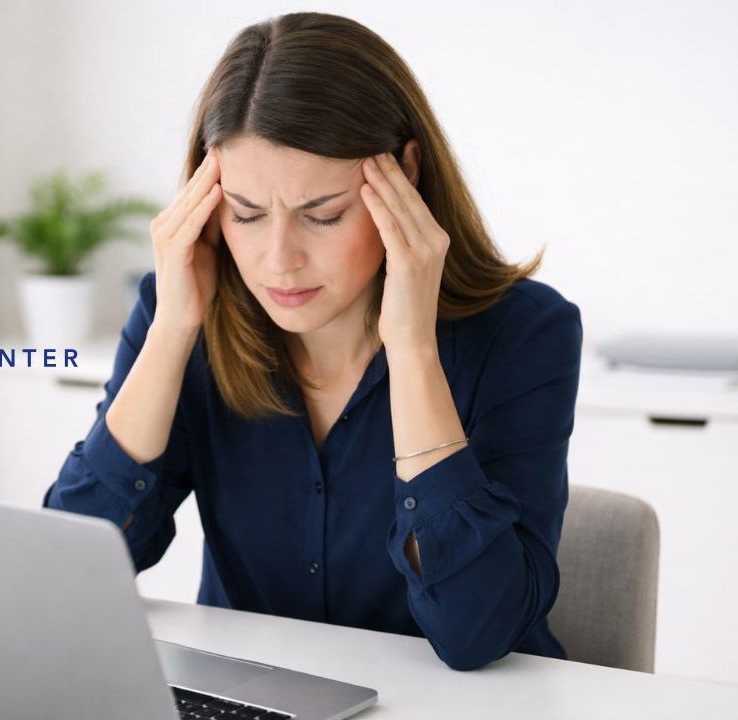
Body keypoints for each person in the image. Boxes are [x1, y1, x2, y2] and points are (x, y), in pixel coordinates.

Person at [42, 11, 582, 672]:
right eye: (245, 213)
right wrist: (172, 332)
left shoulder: (524, 333)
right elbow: (73, 566)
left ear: (405, 174)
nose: (278, 260)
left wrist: (411, 349)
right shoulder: (181, 314)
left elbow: (476, 631)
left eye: (321, 215)